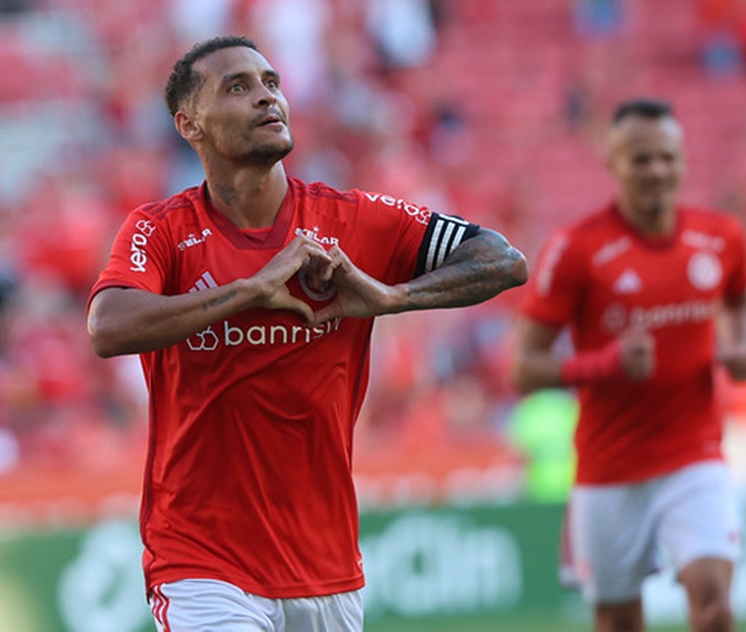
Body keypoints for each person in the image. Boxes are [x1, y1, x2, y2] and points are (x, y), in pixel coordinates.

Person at [87, 35, 527, 631]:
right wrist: (250, 290)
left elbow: (502, 259)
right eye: (237, 88)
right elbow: (108, 326)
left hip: (329, 569)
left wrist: (393, 297)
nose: (267, 98)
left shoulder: (353, 218)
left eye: (271, 83)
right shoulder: (160, 231)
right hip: (201, 562)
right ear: (189, 124)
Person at [511, 98, 746, 632]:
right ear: (613, 162)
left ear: (684, 160)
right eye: (641, 159)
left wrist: (741, 349)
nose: (656, 171)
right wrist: (605, 364)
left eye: (667, 158)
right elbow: (524, 369)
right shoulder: (575, 249)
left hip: (696, 455)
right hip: (610, 466)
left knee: (714, 603)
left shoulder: (722, 237)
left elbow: (738, 301)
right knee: (619, 620)